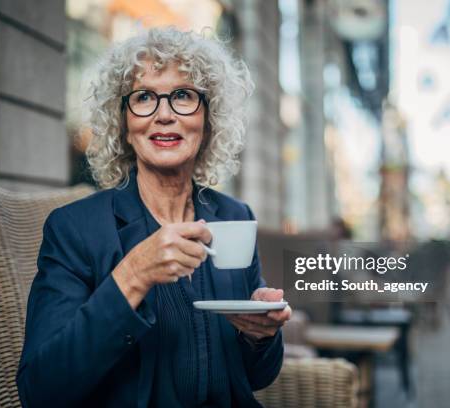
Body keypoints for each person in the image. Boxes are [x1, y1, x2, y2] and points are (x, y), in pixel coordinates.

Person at [16, 27, 291, 408]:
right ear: (123, 124)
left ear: (208, 121)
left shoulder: (233, 217)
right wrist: (133, 276)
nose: (163, 115)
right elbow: (40, 391)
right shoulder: (74, 230)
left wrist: (259, 334)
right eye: (144, 97)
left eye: (182, 96)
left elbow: (257, 376)